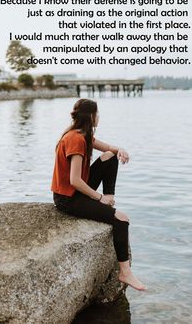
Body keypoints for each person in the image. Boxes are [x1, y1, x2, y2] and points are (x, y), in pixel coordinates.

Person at [51, 98, 147, 291]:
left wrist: (121, 150)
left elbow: (110, 149)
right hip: (68, 198)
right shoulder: (75, 139)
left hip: (78, 190)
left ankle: (109, 198)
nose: (99, 117)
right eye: (97, 113)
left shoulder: (83, 135)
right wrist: (99, 198)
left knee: (111, 157)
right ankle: (125, 273)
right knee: (121, 218)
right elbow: (75, 181)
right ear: (91, 116)